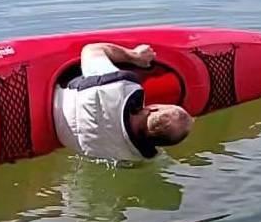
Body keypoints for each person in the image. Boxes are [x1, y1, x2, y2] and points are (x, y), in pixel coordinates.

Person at [54, 42, 194, 162]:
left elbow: (91, 49)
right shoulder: (131, 158)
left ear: (153, 109)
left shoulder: (117, 86)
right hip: (61, 136)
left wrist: (135, 56)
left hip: (53, 102)